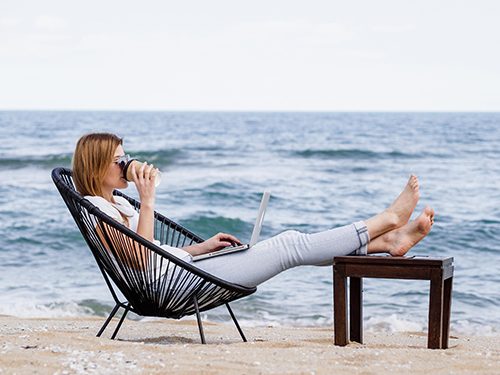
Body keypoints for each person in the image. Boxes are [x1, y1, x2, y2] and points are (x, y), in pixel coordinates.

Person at [72, 133, 435, 287]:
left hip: (187, 268)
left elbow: (154, 251)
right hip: (174, 284)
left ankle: (387, 242)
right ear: (97, 166)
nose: (126, 165)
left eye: (125, 157)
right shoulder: (95, 207)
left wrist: (201, 247)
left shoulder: (117, 202)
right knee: (289, 245)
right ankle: (385, 221)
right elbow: (140, 261)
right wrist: (148, 201)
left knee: (290, 246)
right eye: (119, 160)